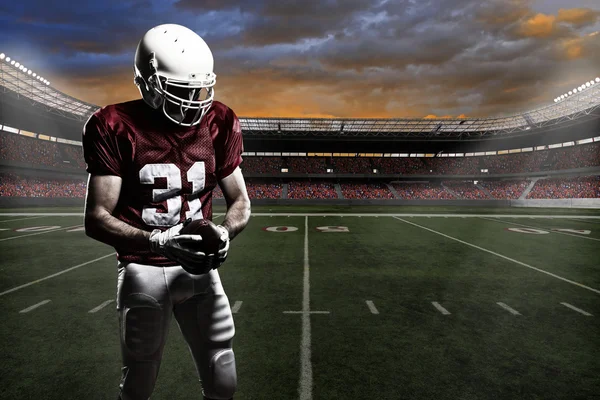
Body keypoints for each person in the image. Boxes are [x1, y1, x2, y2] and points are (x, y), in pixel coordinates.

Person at [82, 23, 251, 400]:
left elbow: (240, 200)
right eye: (180, 90)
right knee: (139, 380)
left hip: (198, 269)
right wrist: (158, 240)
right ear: (148, 84)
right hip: (143, 268)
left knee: (223, 372)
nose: (193, 100)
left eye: (198, 89)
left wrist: (225, 231)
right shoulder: (113, 125)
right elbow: (96, 217)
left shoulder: (219, 121)